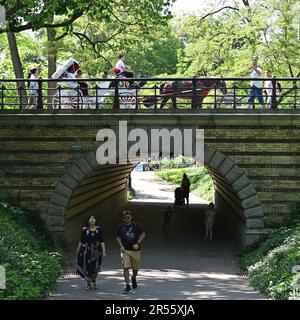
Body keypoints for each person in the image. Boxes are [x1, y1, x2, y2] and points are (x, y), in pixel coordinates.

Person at [116, 209, 146, 294]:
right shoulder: (120, 227)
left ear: (130, 217)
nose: (126, 219)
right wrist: (121, 246)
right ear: (122, 218)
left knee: (135, 269)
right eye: (124, 217)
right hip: (125, 250)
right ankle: (127, 285)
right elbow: (118, 237)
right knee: (126, 267)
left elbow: (143, 233)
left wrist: (138, 243)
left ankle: (133, 277)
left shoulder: (136, 225)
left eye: (128, 217)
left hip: (135, 250)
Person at [76, 215, 106, 290]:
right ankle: (88, 283)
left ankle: (94, 281)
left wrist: (104, 250)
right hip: (86, 251)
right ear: (88, 221)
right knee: (87, 266)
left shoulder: (99, 229)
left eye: (94, 218)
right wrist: (78, 249)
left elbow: (102, 240)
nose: (92, 220)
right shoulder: (84, 230)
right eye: (91, 219)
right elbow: (81, 241)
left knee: (95, 266)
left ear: (95, 220)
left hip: (96, 251)